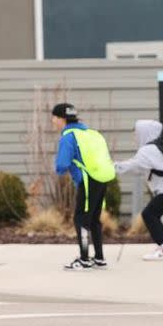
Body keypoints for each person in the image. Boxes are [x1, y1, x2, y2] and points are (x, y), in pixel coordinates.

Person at [52, 103, 112, 271]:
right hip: (101, 179)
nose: (53, 122)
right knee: (93, 219)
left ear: (62, 119)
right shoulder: (90, 133)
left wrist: (60, 168)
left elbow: (62, 165)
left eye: (54, 118)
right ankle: (99, 258)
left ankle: (84, 259)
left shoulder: (68, 137)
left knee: (81, 219)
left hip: (86, 181)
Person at [114, 119, 163, 260]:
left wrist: (110, 166)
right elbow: (140, 168)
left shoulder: (147, 150)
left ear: (144, 133)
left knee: (149, 215)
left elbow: (131, 165)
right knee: (153, 214)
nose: (134, 136)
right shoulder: (156, 148)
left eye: (136, 133)